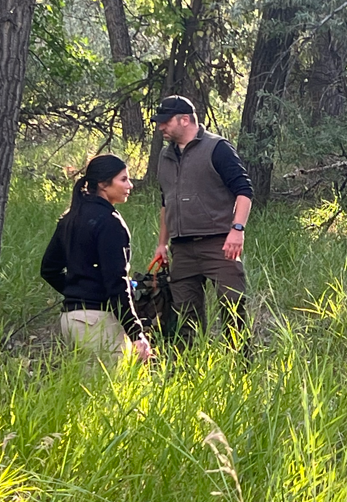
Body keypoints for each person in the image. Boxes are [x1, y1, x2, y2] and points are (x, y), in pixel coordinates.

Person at [152, 95, 253, 344]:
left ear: (185, 119)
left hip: (219, 245)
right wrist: (162, 244)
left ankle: (240, 364)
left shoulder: (217, 148)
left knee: (233, 308)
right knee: (185, 317)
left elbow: (244, 191)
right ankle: (191, 364)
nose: (161, 127)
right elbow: (166, 202)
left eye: (166, 121)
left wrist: (237, 229)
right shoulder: (165, 156)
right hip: (182, 249)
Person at [41, 155, 152, 362]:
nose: (130, 185)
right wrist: (136, 333)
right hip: (97, 321)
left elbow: (49, 269)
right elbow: (116, 282)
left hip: (71, 320)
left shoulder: (70, 217)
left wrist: (79, 293)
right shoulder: (110, 223)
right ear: (103, 184)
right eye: (123, 179)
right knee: (109, 383)